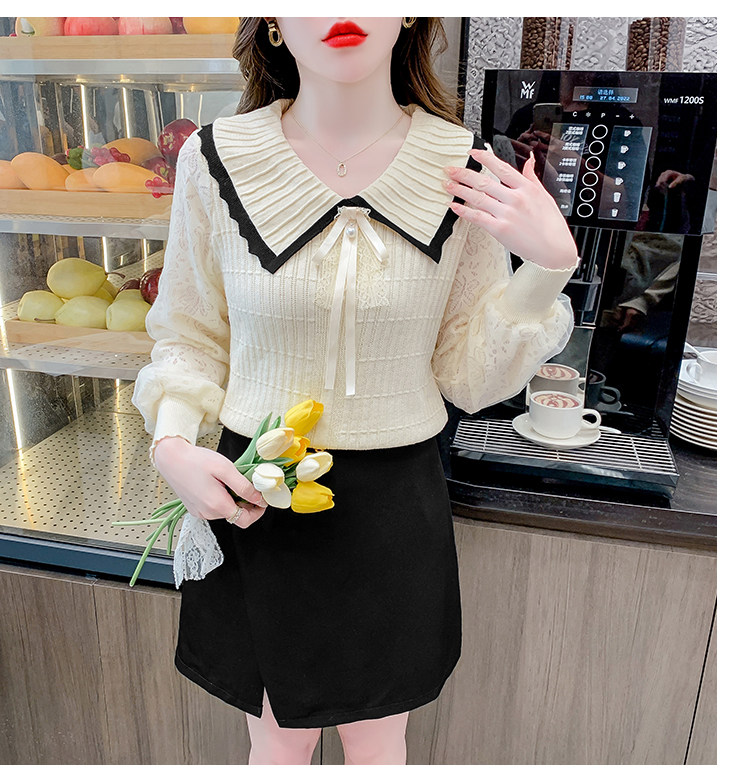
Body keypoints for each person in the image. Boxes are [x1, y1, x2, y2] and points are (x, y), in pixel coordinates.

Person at [131, 17, 580, 766]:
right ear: (272, 20)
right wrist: (170, 442)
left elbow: (468, 375)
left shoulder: (465, 166)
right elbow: (189, 331)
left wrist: (546, 271)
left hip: (394, 509)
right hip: (257, 495)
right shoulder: (213, 158)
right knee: (277, 742)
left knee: (379, 742)